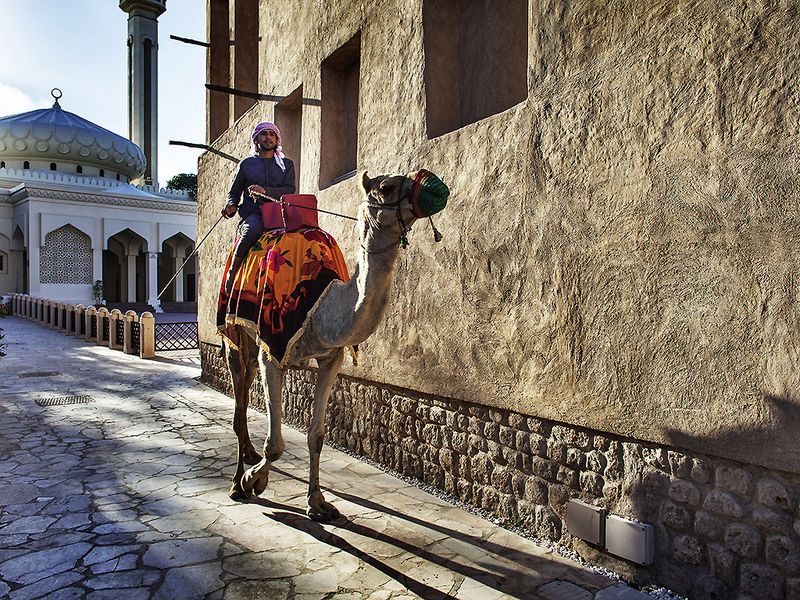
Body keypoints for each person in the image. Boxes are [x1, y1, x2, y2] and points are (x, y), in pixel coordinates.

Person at [222, 122, 296, 293]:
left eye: (272, 134)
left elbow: (290, 190)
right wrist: (231, 205)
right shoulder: (246, 165)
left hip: (279, 214)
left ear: (277, 139)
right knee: (254, 229)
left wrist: (265, 191)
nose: (268, 137)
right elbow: (234, 192)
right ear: (256, 139)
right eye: (264, 134)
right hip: (253, 214)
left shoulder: (287, 164)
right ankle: (233, 272)